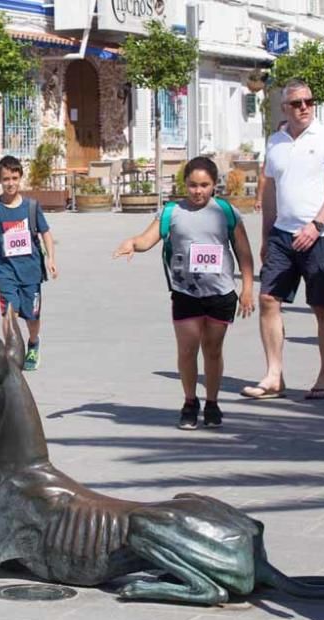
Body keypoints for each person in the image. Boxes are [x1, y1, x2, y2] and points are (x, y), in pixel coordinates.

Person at [113, 157, 255, 429]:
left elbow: (244, 253)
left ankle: (212, 402)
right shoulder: (171, 212)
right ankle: (190, 402)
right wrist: (132, 243)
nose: (198, 191)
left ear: (214, 185)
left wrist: (247, 288)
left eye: (204, 185)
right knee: (187, 349)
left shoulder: (225, 212)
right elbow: (147, 240)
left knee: (213, 350)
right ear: (184, 184)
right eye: (192, 185)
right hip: (185, 292)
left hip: (220, 292)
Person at [242, 80, 324, 401]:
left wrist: (316, 225)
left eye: (308, 101)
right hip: (282, 236)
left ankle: (323, 379)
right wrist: (266, 235)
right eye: (297, 103)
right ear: (284, 108)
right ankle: (274, 375)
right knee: (268, 300)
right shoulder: (275, 141)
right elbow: (270, 191)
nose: (304, 107)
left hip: (321, 236)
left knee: (322, 308)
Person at [0, 155, 58, 371]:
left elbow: (46, 233)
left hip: (31, 271)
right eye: (6, 179)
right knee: (9, 312)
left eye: (14, 178)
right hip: (5, 271)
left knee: (32, 317)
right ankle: (12, 350)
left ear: (20, 177)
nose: (10, 183)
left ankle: (33, 344)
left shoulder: (32, 207)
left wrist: (51, 258)